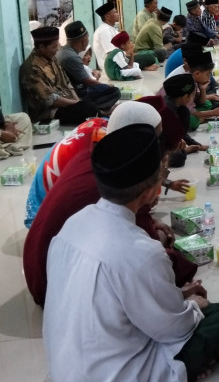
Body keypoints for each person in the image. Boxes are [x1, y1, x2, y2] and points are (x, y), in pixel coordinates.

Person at [42, 123, 219, 382]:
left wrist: (180, 295)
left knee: (210, 315)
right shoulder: (141, 252)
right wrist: (192, 304)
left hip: (68, 369)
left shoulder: (72, 225)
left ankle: (209, 351)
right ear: (151, 192)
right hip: (126, 373)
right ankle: (197, 362)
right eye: (162, 173)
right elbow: (175, 329)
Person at [23, 100, 194, 306]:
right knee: (157, 245)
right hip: (54, 287)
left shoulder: (94, 156)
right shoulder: (125, 180)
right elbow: (150, 261)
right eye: (155, 138)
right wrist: (182, 265)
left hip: (41, 262)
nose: (156, 146)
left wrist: (149, 222)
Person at [20, 26, 99, 125]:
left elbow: (67, 83)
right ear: (41, 47)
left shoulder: (52, 58)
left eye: (57, 46)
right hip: (49, 112)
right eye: (54, 47)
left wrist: (77, 101)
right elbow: (50, 100)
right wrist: (77, 103)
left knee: (93, 102)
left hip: (67, 102)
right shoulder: (32, 68)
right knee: (87, 109)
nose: (57, 50)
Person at [57, 21, 121, 112]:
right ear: (83, 40)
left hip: (72, 89)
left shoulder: (65, 51)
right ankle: (98, 109)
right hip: (77, 92)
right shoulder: (71, 57)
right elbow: (88, 81)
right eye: (87, 39)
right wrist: (107, 85)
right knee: (114, 91)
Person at [163, 73, 206, 158]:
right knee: (179, 158)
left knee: (185, 112)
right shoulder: (167, 111)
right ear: (186, 97)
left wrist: (198, 145)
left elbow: (181, 133)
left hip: (166, 143)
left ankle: (180, 151)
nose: (194, 98)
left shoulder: (180, 107)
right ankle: (183, 151)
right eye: (193, 95)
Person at [92, 1, 119, 69]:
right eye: (115, 12)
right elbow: (111, 53)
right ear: (107, 16)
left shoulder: (111, 28)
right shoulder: (104, 30)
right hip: (111, 67)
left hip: (119, 62)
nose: (118, 14)